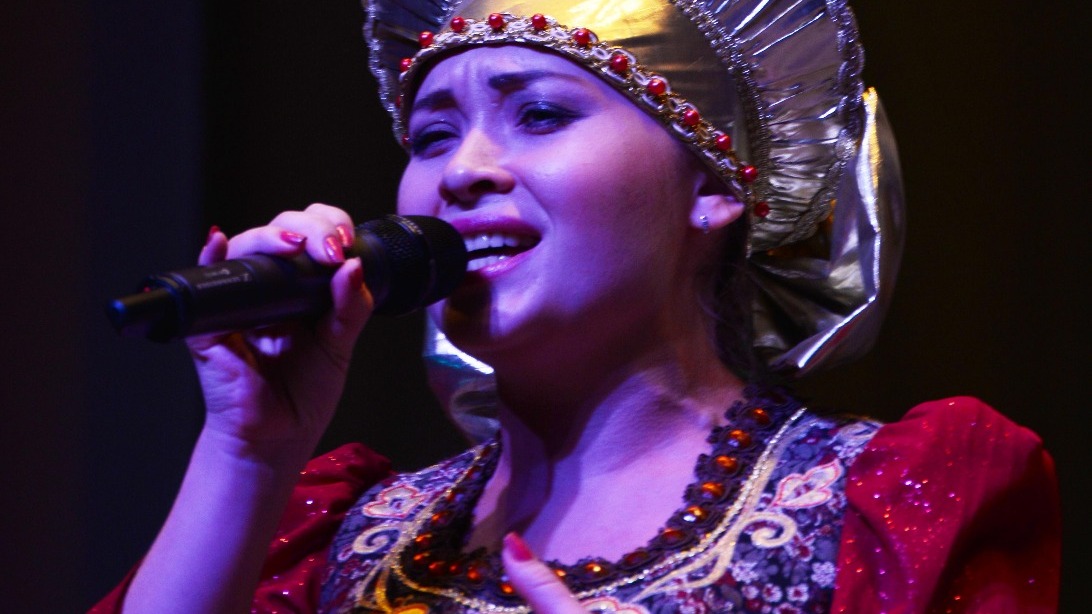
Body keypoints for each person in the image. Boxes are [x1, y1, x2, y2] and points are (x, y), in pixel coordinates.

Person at [92, 0, 1061, 612]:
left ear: (714, 183)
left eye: (541, 114)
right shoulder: (343, 534)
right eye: (433, 135)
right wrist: (248, 449)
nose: (462, 171)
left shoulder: (868, 510)